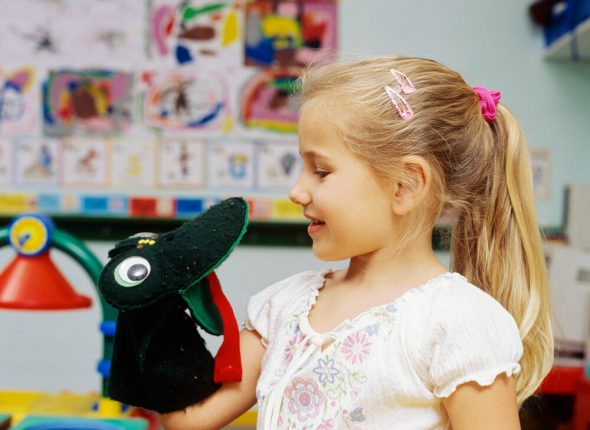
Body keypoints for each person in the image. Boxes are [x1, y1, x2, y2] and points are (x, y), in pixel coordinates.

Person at [159, 56, 554, 429]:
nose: (297, 191)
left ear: (405, 185)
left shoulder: (457, 322)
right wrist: (152, 308)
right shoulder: (284, 307)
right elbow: (188, 419)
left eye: (322, 171)